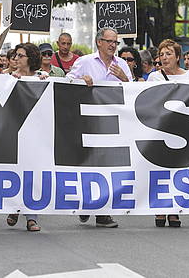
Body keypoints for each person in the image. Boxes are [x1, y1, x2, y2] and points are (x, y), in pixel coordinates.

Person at [67, 27, 131, 228]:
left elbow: (133, 91)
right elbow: (66, 82)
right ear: (99, 42)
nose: (113, 45)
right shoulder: (85, 62)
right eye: (109, 41)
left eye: (116, 42)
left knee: (109, 166)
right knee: (90, 165)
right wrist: (80, 80)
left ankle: (103, 212)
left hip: (113, 124)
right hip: (88, 122)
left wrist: (124, 78)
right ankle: (88, 205)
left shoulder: (121, 64)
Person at [149, 39, 189, 228]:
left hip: (183, 132)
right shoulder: (154, 78)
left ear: (178, 57)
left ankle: (173, 210)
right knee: (160, 170)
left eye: (169, 54)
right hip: (159, 130)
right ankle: (160, 209)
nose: (164, 58)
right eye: (162, 54)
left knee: (177, 170)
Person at [6, 43, 47, 232]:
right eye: (15, 55)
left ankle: (31, 217)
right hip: (13, 133)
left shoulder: (43, 78)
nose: (16, 58)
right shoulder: (7, 79)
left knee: (33, 174)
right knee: (16, 172)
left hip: (36, 135)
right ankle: (14, 207)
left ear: (30, 58)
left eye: (20, 55)